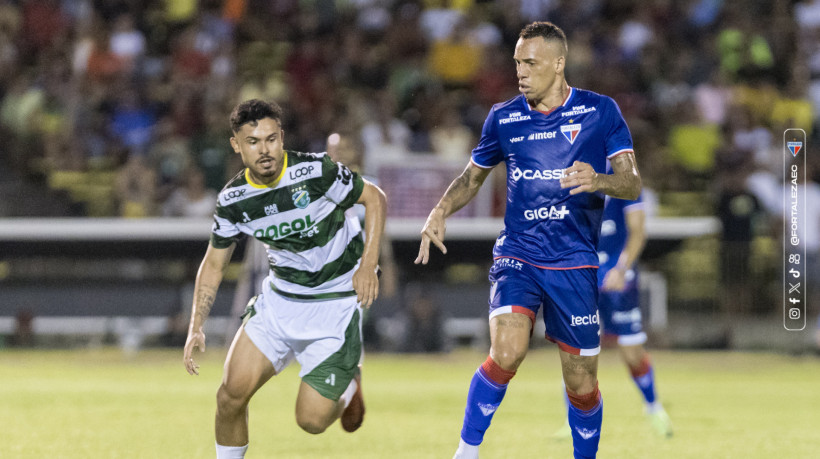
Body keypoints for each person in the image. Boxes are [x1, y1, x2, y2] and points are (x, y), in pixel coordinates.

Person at [415, 22, 642, 459]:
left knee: (581, 382)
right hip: (518, 253)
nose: (520, 71)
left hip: (575, 260)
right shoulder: (504, 117)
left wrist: (598, 178)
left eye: (530, 62)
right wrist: (440, 210)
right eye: (517, 61)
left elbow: (631, 185)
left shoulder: (601, 112)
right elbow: (471, 178)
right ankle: (465, 451)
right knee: (507, 350)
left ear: (559, 64)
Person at [183, 99, 387, 459]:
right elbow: (214, 264)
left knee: (310, 421)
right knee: (230, 395)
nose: (265, 150)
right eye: (253, 141)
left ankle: (347, 387)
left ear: (282, 137)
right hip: (281, 302)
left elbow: (376, 198)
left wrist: (368, 265)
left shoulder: (316, 172)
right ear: (236, 145)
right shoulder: (233, 199)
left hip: (334, 305)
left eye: (271, 139)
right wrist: (196, 324)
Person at [555, 192, 672, 438]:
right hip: (583, 278)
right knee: (576, 352)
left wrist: (621, 268)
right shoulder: (573, 180)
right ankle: (573, 420)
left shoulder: (624, 178)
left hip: (619, 282)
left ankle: (654, 408)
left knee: (633, 353)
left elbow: (638, 231)